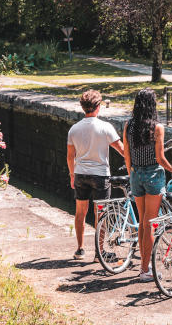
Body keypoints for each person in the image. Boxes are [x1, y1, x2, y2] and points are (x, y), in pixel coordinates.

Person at [123, 88, 172, 281]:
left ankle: (144, 265)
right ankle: (145, 269)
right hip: (153, 175)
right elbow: (160, 158)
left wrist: (131, 172)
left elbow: (127, 155)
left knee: (142, 222)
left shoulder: (128, 126)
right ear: (152, 105)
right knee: (150, 224)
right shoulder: (157, 128)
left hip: (135, 174)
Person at [67, 89, 124, 260]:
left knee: (80, 212)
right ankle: (99, 252)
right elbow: (122, 150)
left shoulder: (74, 129)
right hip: (100, 175)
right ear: (98, 106)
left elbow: (70, 157)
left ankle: (80, 249)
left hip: (80, 173)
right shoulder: (105, 127)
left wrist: (72, 175)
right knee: (101, 214)